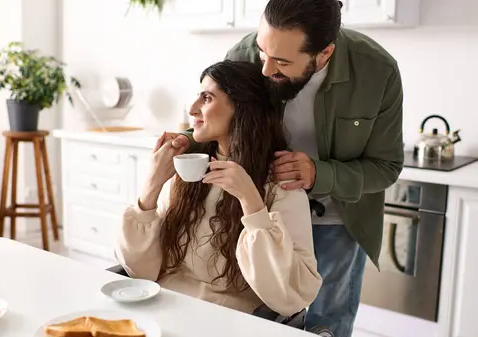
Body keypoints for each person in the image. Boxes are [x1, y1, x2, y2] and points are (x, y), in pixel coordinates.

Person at [163, 0, 404, 337]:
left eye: (282, 62)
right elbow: (221, 115)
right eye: (262, 50)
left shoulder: (377, 72)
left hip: (337, 217)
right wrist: (185, 141)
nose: (264, 68)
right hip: (260, 207)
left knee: (327, 323)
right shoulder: (247, 53)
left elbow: (385, 167)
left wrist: (319, 174)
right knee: (263, 319)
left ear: (324, 54)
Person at [114, 60, 322, 318]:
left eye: (207, 98)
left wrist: (251, 202)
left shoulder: (283, 187)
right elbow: (140, 272)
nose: (192, 109)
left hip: (228, 325)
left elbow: (289, 298)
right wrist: (152, 186)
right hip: (160, 309)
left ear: (243, 109)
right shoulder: (188, 174)